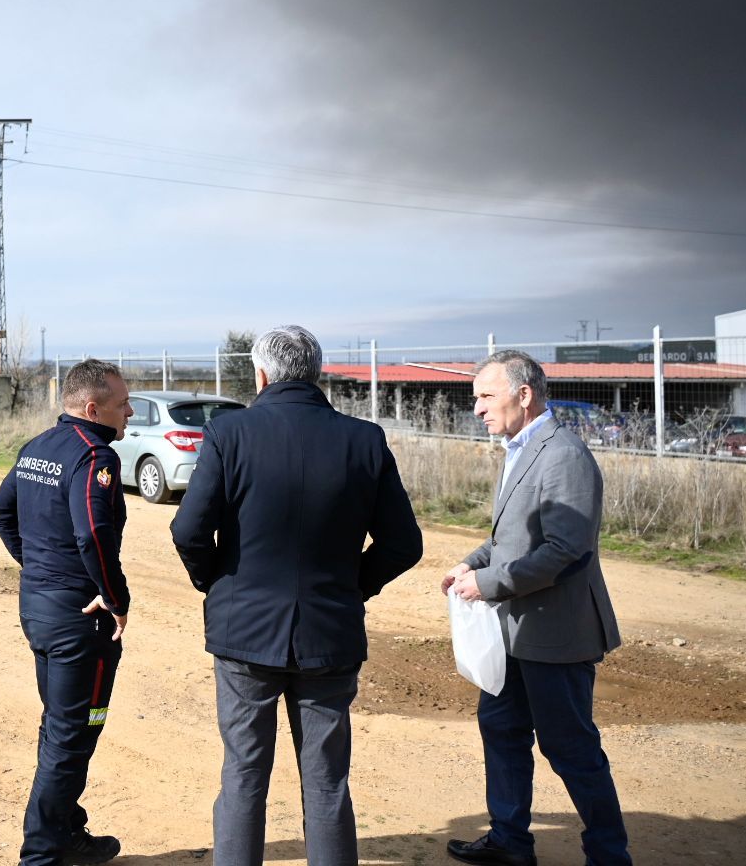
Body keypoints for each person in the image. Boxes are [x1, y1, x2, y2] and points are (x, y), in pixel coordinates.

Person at [170, 325, 422, 866]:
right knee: (328, 782)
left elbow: (189, 530)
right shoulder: (364, 440)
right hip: (330, 633)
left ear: (260, 375)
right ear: (316, 373)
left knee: (243, 775)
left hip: (244, 634)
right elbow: (403, 543)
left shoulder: (229, 433)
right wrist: (355, 585)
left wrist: (216, 582)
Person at [443, 351, 631, 866]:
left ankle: (609, 855)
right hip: (516, 635)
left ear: (523, 394)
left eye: (485, 395)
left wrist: (491, 583)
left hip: (558, 635)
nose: (477, 408)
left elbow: (566, 551)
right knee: (501, 731)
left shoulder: (563, 453)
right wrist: (471, 564)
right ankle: (509, 840)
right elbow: (512, 538)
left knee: (570, 749)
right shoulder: (520, 448)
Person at [0, 358, 133, 866]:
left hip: (40, 609)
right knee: (74, 734)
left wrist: (40, 569)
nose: (130, 412)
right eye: (122, 404)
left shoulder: (38, 448)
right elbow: (92, 534)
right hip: (80, 620)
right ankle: (42, 855)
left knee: (61, 727)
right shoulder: (95, 458)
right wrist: (115, 597)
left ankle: (68, 830)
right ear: (93, 408)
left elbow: (0, 512)